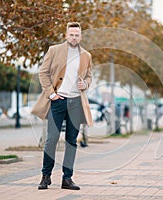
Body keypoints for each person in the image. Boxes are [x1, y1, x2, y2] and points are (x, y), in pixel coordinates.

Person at [31, 22, 93, 190]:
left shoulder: (86, 55)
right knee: (51, 139)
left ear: (81, 36)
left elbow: (89, 76)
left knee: (71, 141)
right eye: (71, 34)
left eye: (77, 35)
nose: (74, 37)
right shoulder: (54, 50)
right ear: (66, 35)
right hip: (58, 101)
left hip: (76, 103)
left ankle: (67, 178)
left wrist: (85, 85)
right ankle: (46, 176)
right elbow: (43, 73)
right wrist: (51, 94)